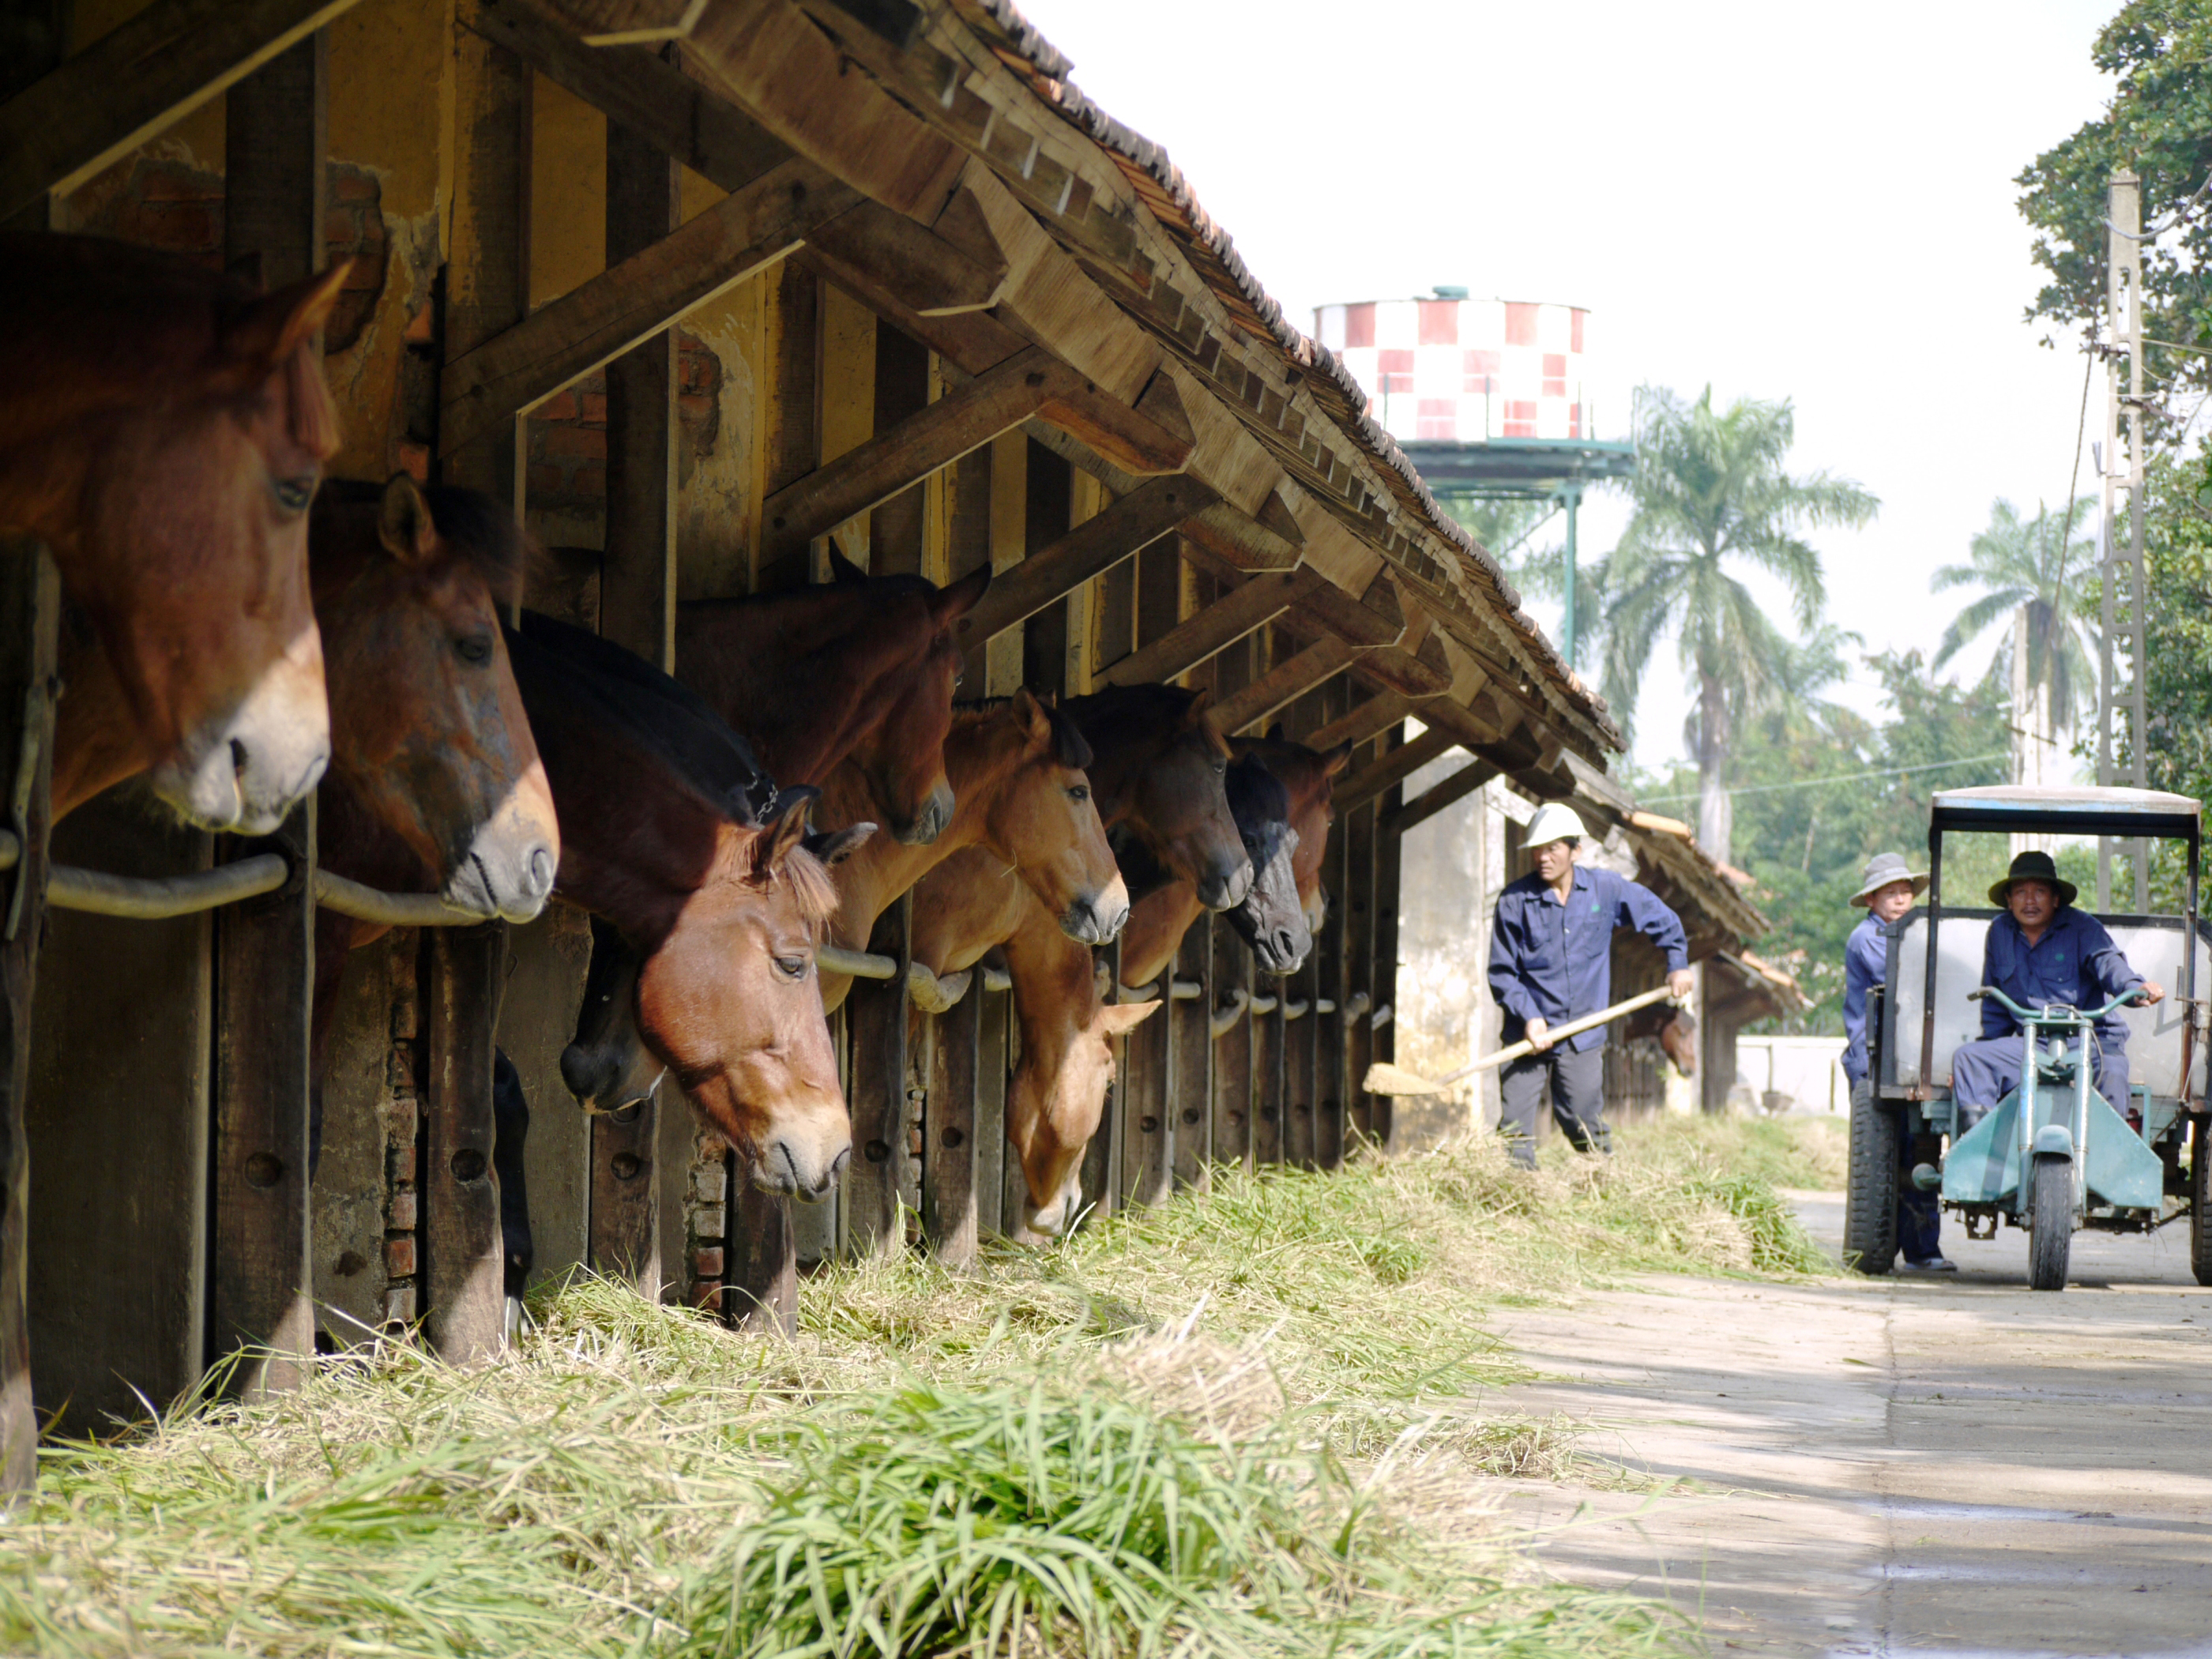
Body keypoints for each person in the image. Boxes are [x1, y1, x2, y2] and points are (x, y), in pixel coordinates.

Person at [1488, 803, 1695, 1166]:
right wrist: (1530, 1017)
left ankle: (1605, 1181)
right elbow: (1503, 973)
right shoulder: (1514, 902)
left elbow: (1663, 919)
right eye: (1537, 849)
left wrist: (1677, 965)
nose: (1543, 857)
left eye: (1553, 848)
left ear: (1575, 850)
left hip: (1582, 1033)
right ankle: (1519, 1198)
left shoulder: (1606, 890)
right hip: (1527, 1033)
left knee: (1581, 1121)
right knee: (1514, 1129)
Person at [1949, 849, 2164, 1134]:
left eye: (2039, 891)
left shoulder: (2082, 927)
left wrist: (2135, 988)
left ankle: (2108, 1163)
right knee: (1969, 1058)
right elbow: (1994, 1005)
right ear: (2009, 900)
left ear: (2055, 899)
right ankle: (1982, 1161)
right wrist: (1987, 1057)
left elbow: (2109, 963)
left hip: (2090, 1041)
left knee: (2113, 1071)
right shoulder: (2000, 933)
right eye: (2020, 892)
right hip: (2032, 1044)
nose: (2029, 901)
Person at [1841, 851, 1951, 1273]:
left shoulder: (1916, 936)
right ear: (1872, 900)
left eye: (1906, 891)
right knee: (1887, 1161)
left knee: (1919, 1151)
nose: (1901, 900)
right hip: (1876, 1062)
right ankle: (1882, 1248)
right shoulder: (1867, 939)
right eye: (1891, 893)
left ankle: (1923, 1251)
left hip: (1910, 1061)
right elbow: (1906, 982)